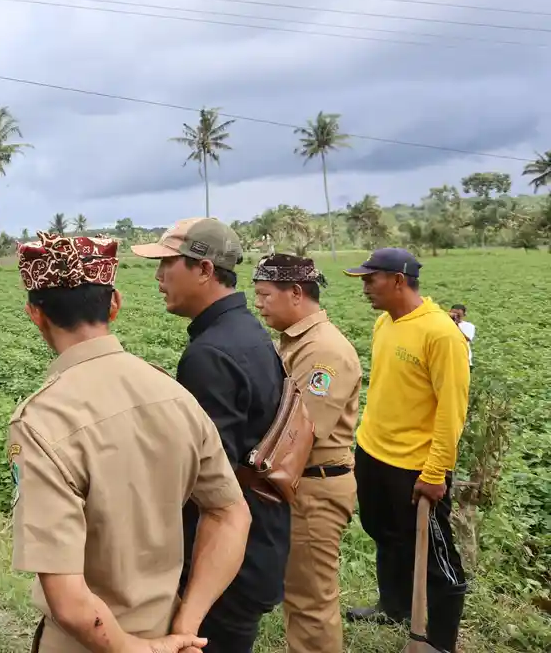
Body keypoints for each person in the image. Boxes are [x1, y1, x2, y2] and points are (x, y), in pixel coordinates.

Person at [10, 231, 252, 653]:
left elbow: (68, 600)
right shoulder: (173, 394)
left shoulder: (43, 420)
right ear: (115, 304)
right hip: (170, 633)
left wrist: (133, 649)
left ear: (35, 314)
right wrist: (186, 625)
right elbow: (231, 513)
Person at [132, 218, 290, 653]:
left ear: (204, 270)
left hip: (226, 563)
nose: (159, 277)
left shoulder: (211, 354)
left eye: (168, 264)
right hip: (259, 544)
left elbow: (207, 483)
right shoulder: (246, 333)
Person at [343, 248, 470, 653]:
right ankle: (393, 606)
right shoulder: (385, 322)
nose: (364, 287)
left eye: (370, 279)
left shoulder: (440, 334)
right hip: (374, 454)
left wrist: (435, 474)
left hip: (415, 467)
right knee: (384, 535)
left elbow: (452, 412)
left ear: (398, 280)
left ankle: (440, 641)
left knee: (436, 557)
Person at [250, 254, 363, 653]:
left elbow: (300, 432)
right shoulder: (298, 342)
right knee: (298, 592)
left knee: (312, 602)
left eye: (264, 295)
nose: (258, 304)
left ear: (295, 293)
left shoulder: (324, 352)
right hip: (300, 485)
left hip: (314, 488)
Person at [448, 303, 475, 368]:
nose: (455, 317)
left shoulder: (469, 326)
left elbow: (467, 339)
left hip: (464, 360)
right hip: (448, 360)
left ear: (464, 315)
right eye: (453, 314)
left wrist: (456, 325)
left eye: (458, 315)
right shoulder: (444, 324)